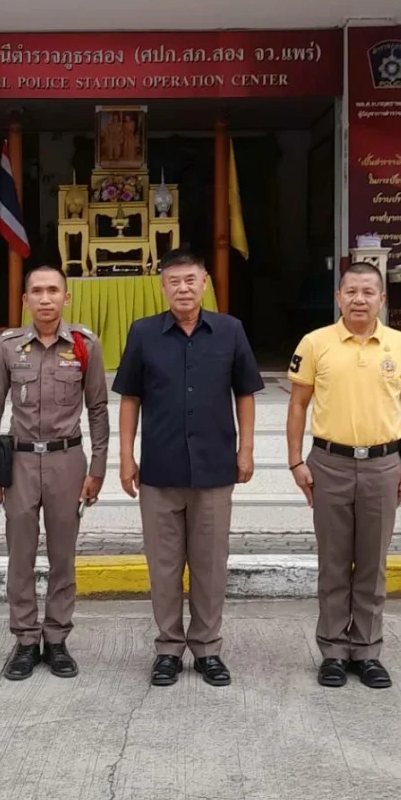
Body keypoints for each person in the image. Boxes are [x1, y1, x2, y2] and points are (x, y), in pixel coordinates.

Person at [114, 247, 263, 687]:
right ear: (163, 287)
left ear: (204, 283)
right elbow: (130, 398)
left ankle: (207, 648)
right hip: (160, 470)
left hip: (215, 469)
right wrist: (126, 455)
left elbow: (245, 393)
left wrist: (246, 449)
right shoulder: (144, 333)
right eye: (174, 281)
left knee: (210, 565)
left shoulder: (230, 330)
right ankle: (167, 649)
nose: (183, 288)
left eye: (190, 280)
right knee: (163, 567)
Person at [286, 261, 401, 690]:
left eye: (368, 292)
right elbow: (298, 405)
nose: (359, 299)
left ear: (382, 298)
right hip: (329, 464)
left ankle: (366, 652)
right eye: (351, 291)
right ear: (338, 297)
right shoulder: (316, 343)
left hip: (384, 466)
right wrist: (295, 462)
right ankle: (333, 650)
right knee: (332, 563)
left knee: (372, 564)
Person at [0, 263, 109, 680]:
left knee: (62, 557)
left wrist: (99, 467)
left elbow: (98, 409)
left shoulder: (85, 345)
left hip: (67, 460)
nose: (46, 298)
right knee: (20, 556)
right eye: (37, 291)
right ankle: (24, 640)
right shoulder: (7, 347)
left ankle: (56, 639)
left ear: (66, 297)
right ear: (25, 300)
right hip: (18, 462)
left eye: (53, 290)